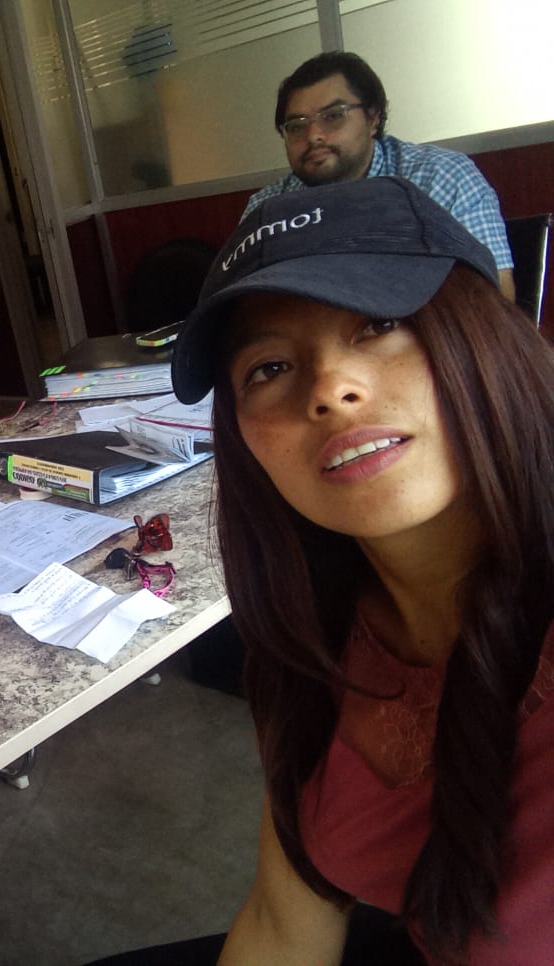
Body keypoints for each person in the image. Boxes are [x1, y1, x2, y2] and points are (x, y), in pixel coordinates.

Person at [162, 177, 553, 963]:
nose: (331, 392)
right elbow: (284, 923)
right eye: (269, 367)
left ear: (486, 334)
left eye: (379, 323)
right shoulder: (310, 641)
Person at [242, 51, 515, 301]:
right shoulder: (267, 208)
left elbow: (492, 297)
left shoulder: (441, 177)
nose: (313, 136)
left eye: (333, 116)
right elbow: (242, 304)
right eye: (296, 126)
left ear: (373, 118)